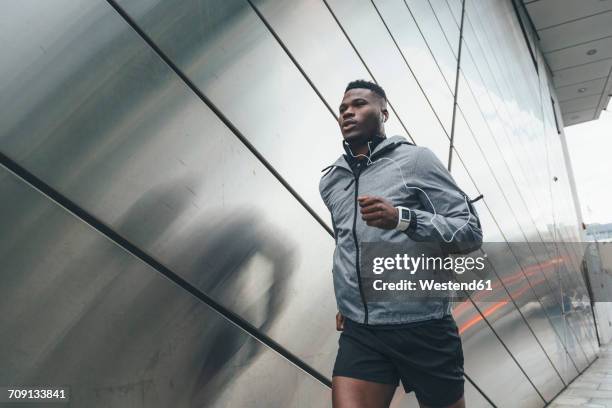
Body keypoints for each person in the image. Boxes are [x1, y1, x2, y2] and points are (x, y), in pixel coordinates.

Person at [319, 80, 483, 408]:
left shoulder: (416, 161)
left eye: (360, 104)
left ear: (383, 113)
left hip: (424, 328)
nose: (348, 112)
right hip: (362, 333)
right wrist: (347, 300)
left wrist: (402, 219)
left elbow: (469, 231)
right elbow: (347, 245)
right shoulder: (332, 181)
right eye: (343, 108)